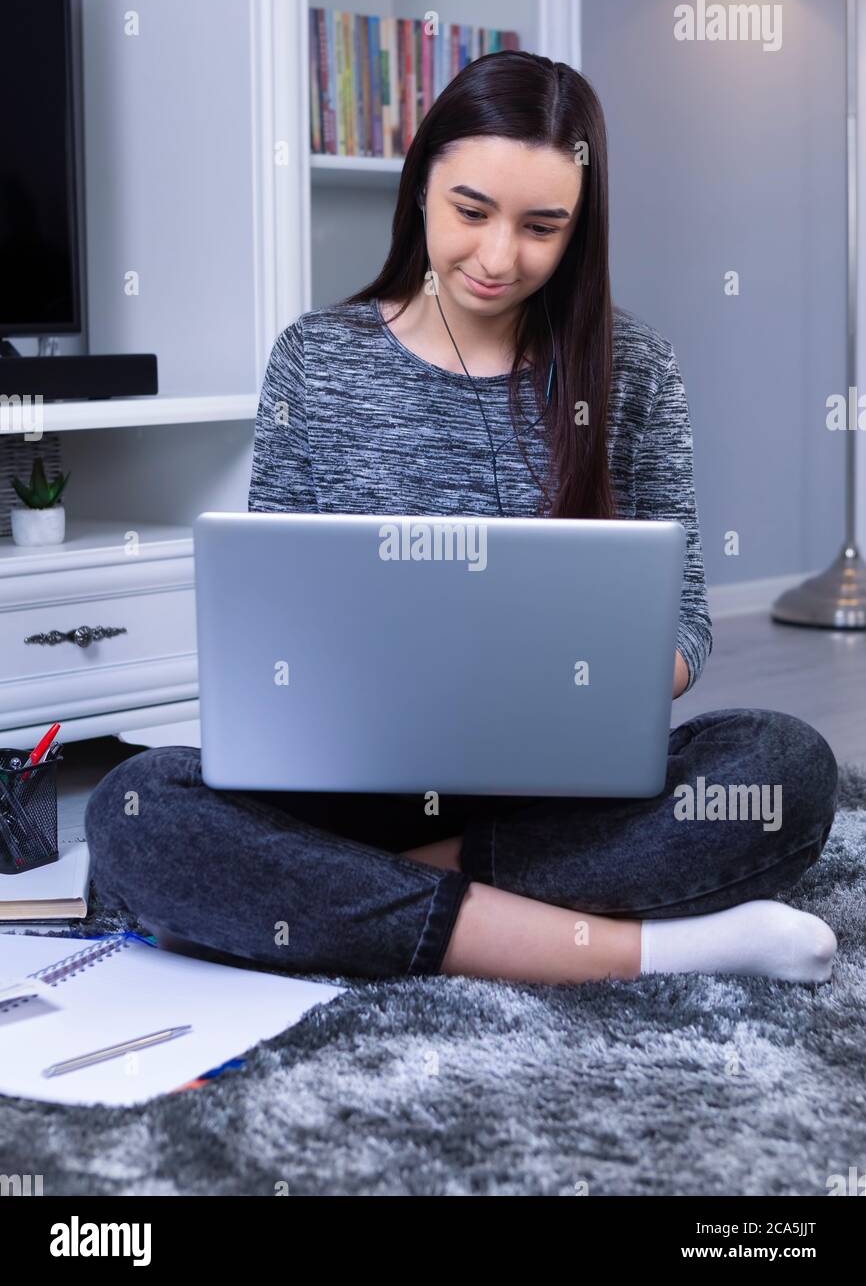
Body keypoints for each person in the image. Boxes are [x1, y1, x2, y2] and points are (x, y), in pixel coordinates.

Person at [85, 50, 838, 987]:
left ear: (580, 225)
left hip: (553, 799)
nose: (496, 258)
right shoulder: (317, 360)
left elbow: (684, 621)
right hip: (350, 791)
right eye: (471, 211)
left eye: (541, 227)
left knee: (783, 769)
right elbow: (267, 612)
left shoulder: (636, 368)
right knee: (136, 804)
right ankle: (636, 952)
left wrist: (599, 684)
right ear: (420, 187)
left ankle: (356, 902)